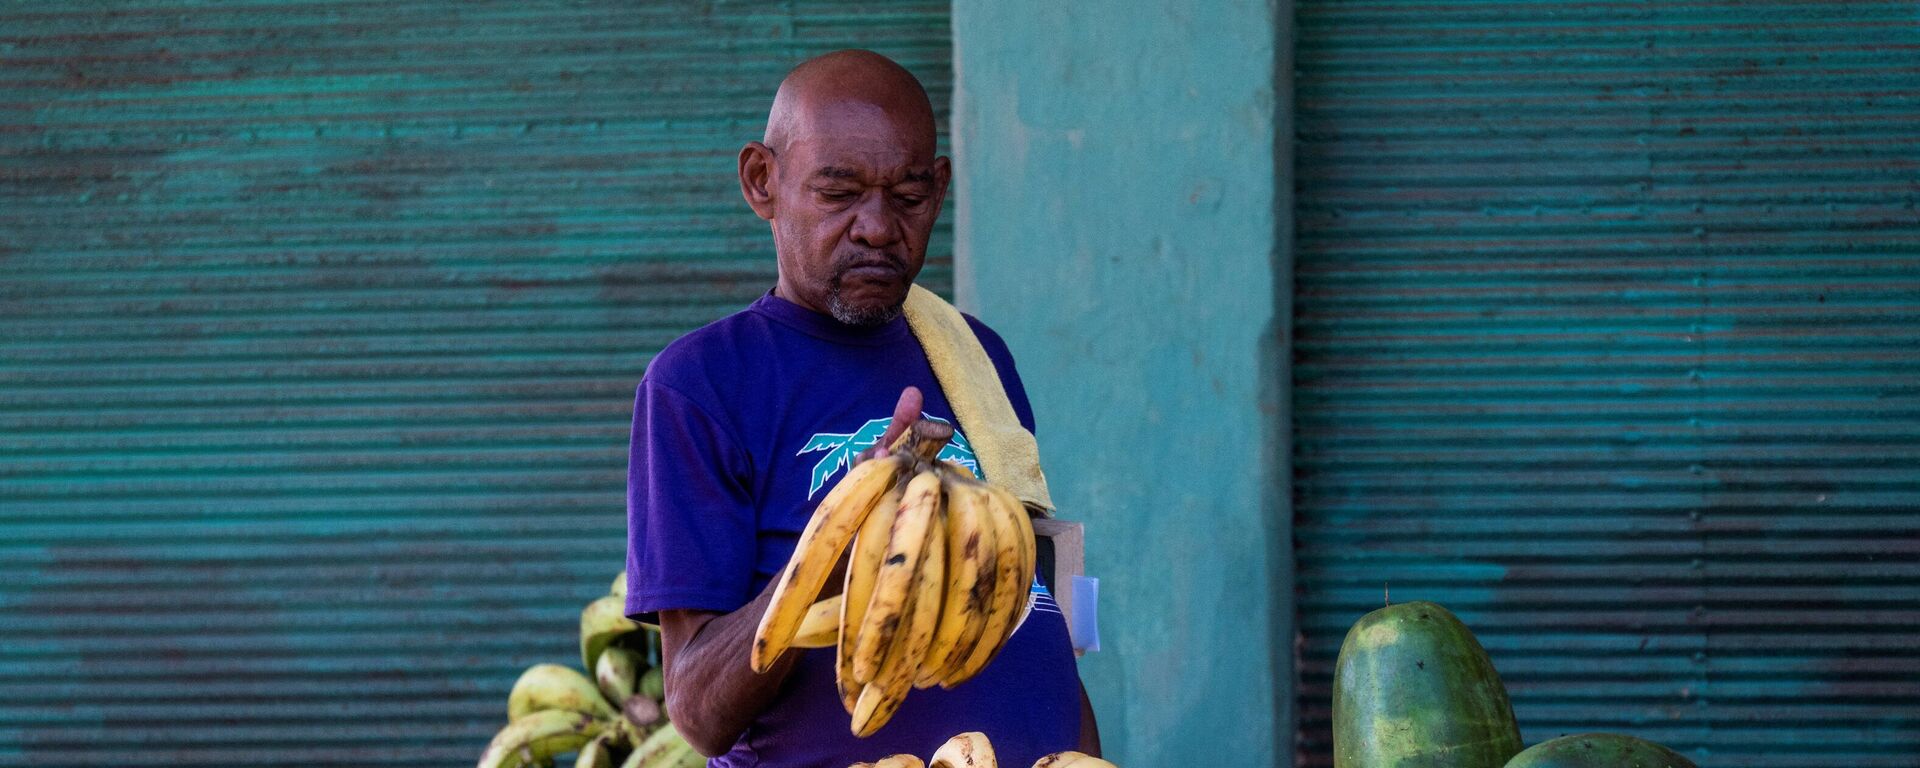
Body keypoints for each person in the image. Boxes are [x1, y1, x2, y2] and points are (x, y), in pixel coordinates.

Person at [624, 49, 1100, 767]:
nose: (878, 227)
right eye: (839, 193)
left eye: (907, 196)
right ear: (763, 181)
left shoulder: (976, 356)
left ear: (938, 191)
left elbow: (1035, 611)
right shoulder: (701, 385)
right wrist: (842, 550)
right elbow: (697, 712)